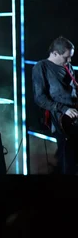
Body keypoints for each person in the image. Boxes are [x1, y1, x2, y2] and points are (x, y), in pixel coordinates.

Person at [32, 36, 78, 174]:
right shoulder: (41, 67)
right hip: (59, 117)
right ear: (55, 53)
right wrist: (64, 109)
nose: (69, 60)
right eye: (66, 57)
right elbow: (40, 98)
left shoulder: (67, 66)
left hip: (74, 114)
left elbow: (71, 90)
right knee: (67, 159)